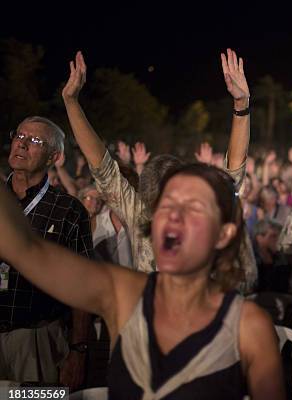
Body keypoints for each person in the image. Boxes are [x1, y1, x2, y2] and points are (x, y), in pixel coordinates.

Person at [0, 162, 286, 400]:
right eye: (167, 204)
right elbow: (27, 250)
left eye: (194, 208)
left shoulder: (248, 326)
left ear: (224, 234)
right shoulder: (122, 293)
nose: (174, 215)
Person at [62, 50, 257, 285]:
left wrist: (242, 104)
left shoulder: (191, 212)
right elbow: (101, 165)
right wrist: (241, 105)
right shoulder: (140, 215)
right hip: (153, 316)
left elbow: (101, 164)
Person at [0, 116, 93, 389]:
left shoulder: (68, 210)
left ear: (54, 156)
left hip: (36, 340)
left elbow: (82, 285)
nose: (22, 144)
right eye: (19, 136)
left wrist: (78, 351)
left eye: (35, 140)